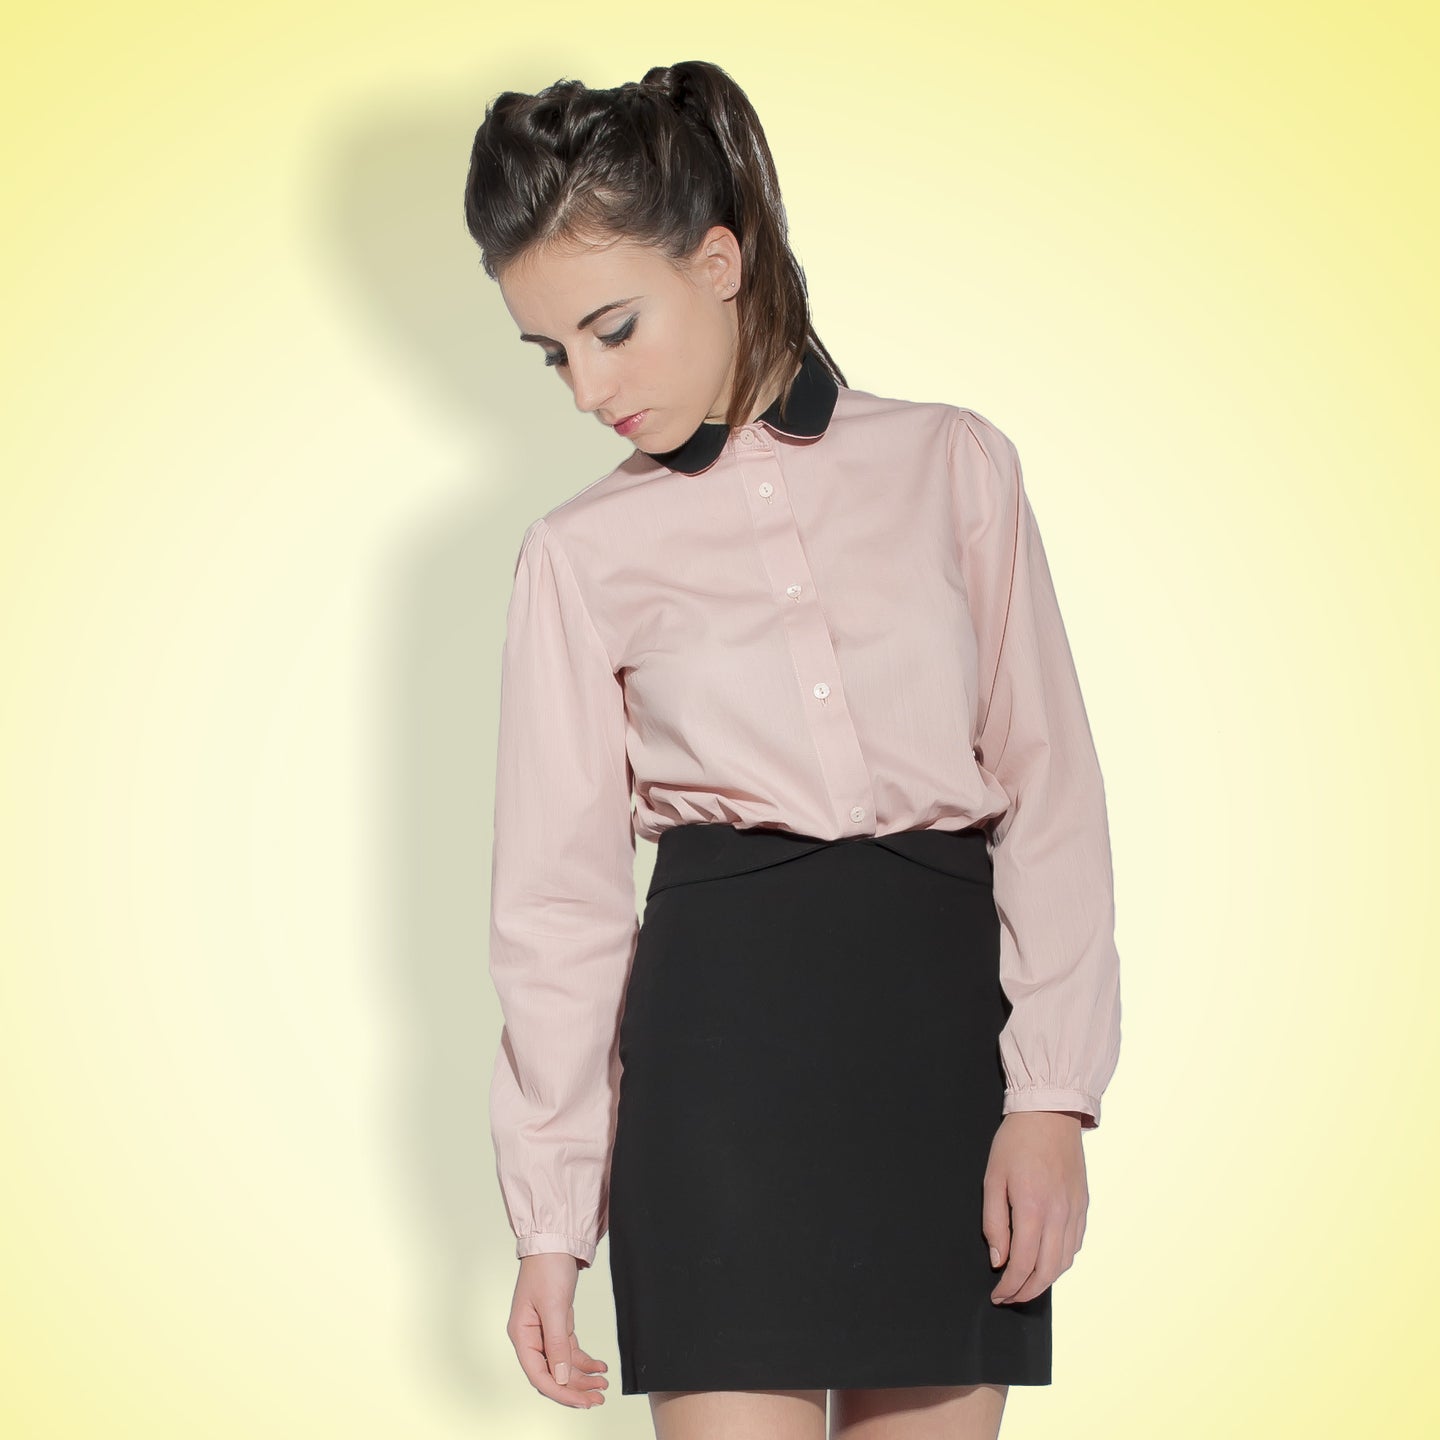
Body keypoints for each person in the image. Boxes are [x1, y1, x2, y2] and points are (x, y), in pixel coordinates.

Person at [463, 59, 1122, 1440]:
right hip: (718, 1066)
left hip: (946, 1052)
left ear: (719, 262)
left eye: (612, 328)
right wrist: (551, 1224)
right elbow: (557, 908)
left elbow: (1049, 790)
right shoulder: (577, 555)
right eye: (554, 353)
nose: (587, 387)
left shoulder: (954, 464)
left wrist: (1052, 1099)